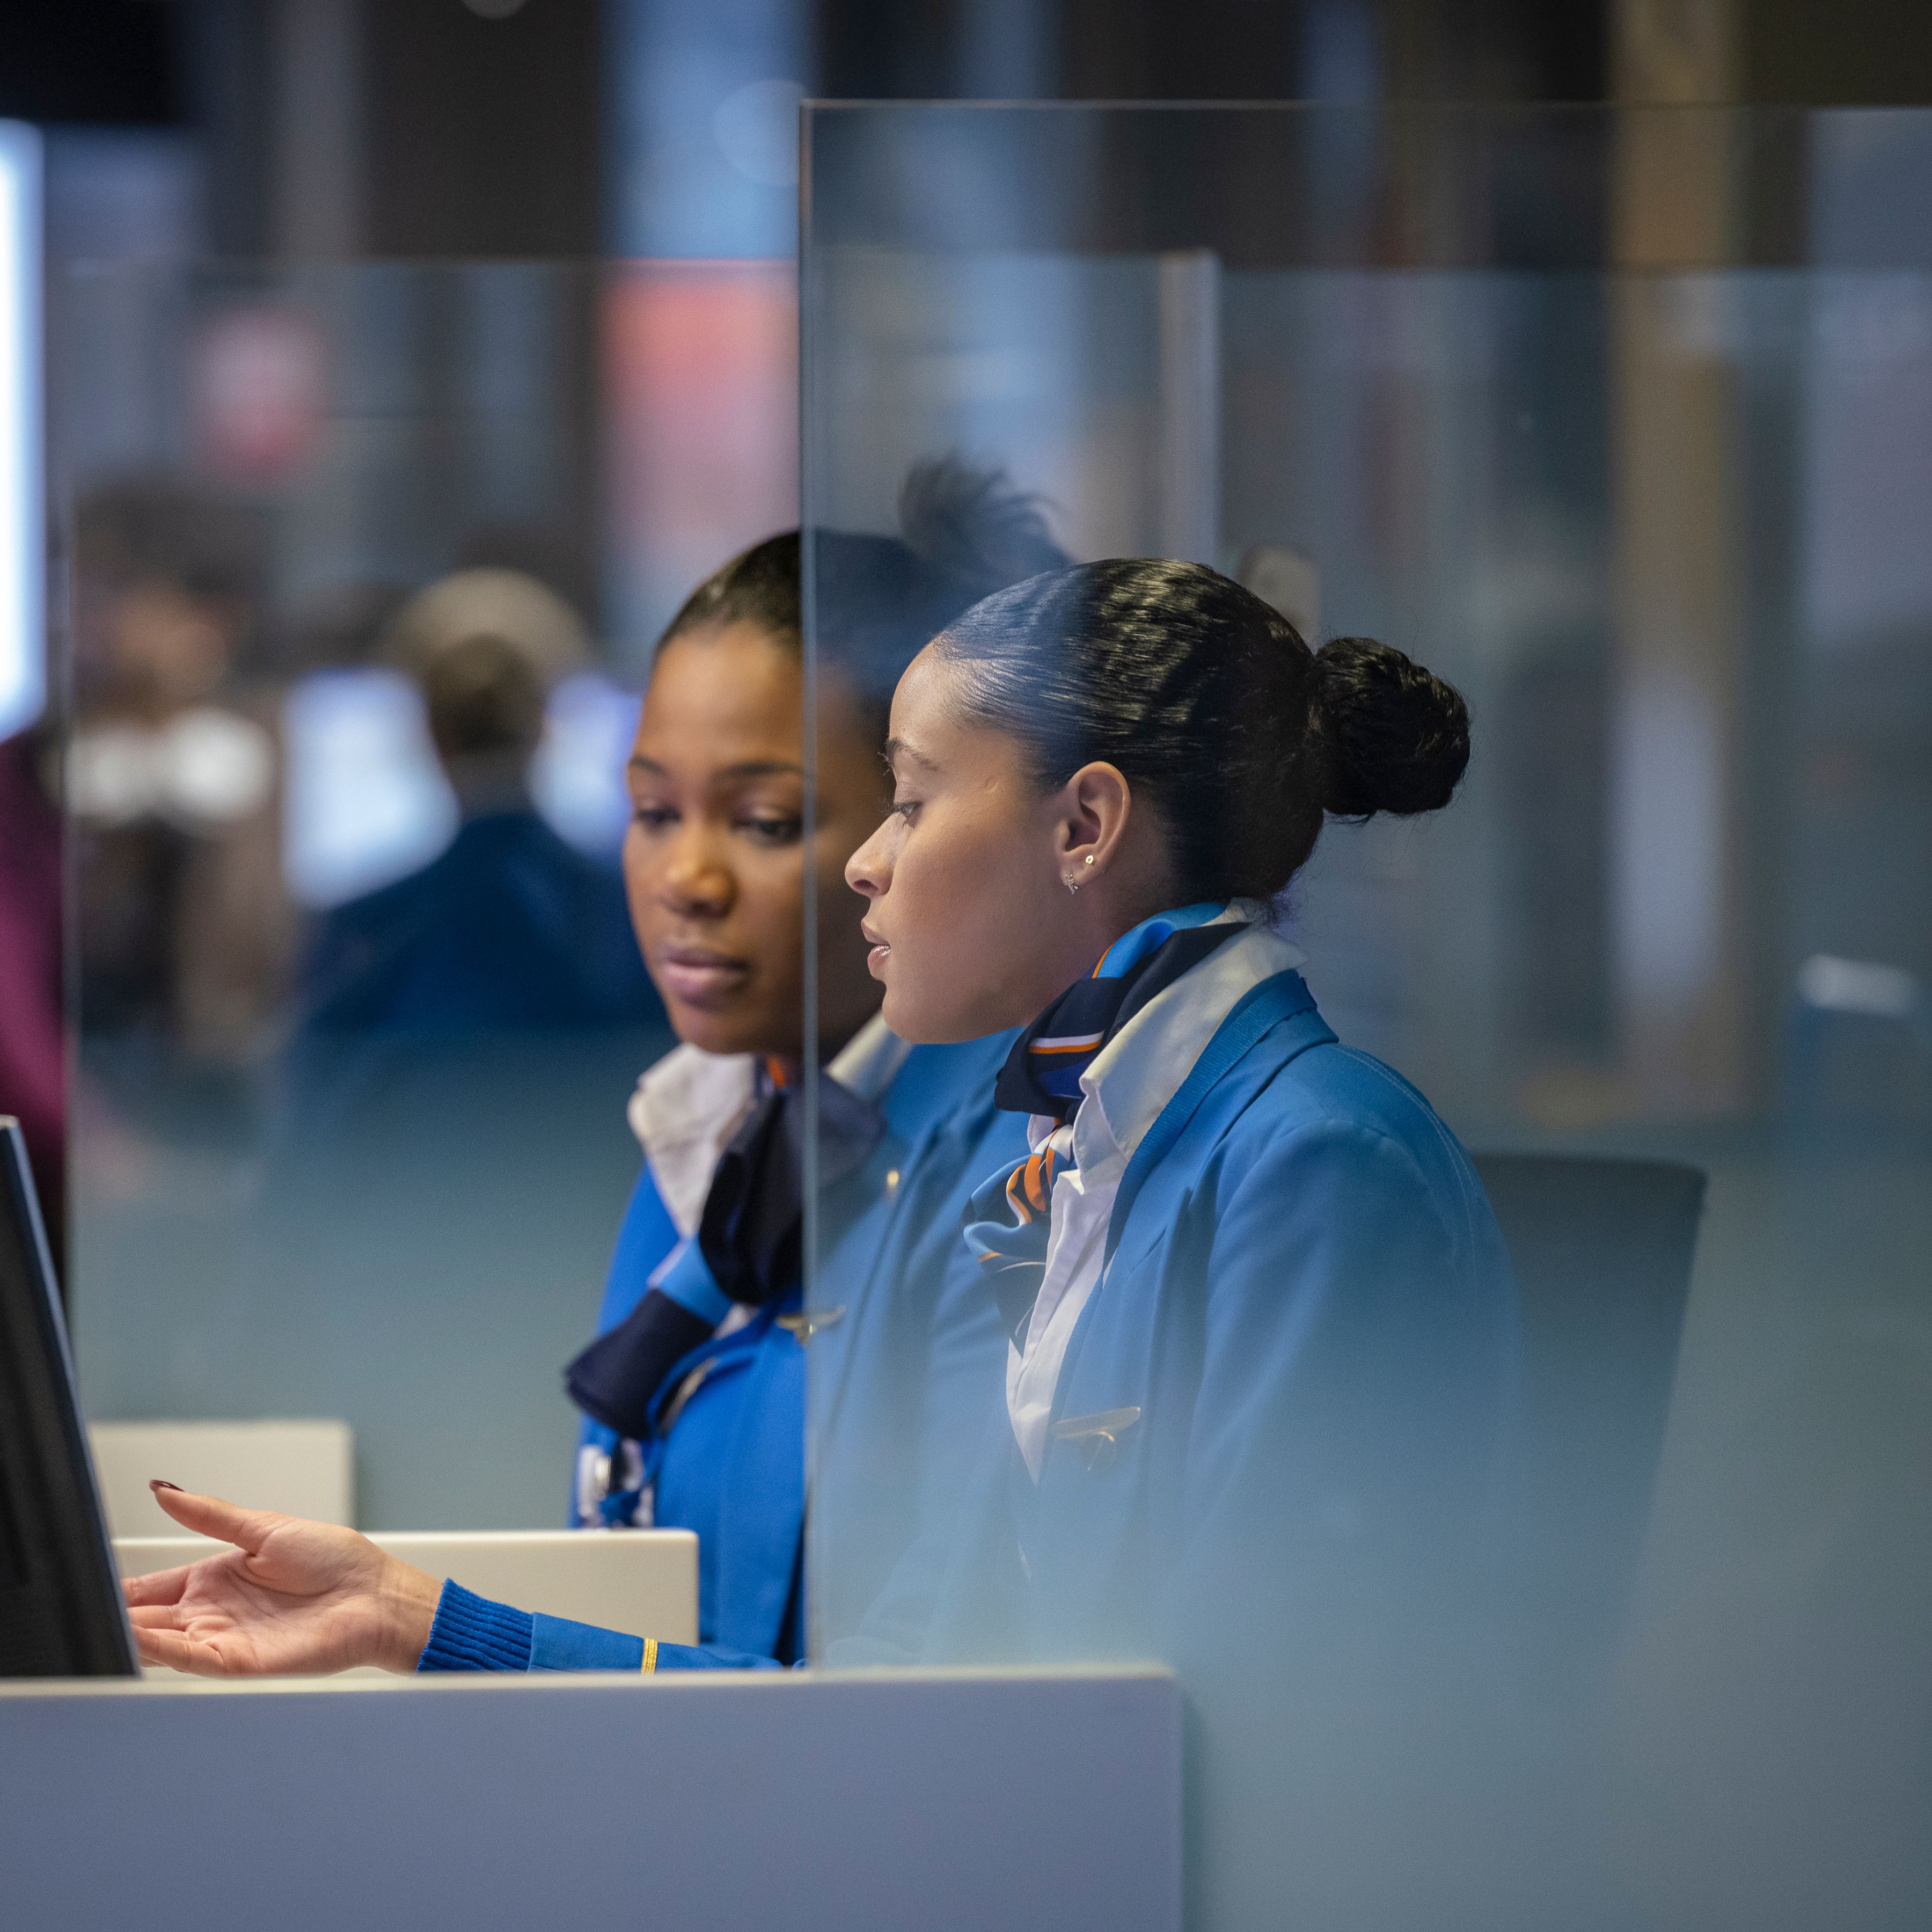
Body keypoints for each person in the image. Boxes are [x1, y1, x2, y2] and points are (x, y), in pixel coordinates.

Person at [127, 560, 1517, 1913]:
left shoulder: (1316, 1166)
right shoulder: (1080, 1167)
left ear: (1083, 828)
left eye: (906, 803)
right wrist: (411, 1618)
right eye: (652, 811)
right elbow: (892, 1708)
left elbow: (1243, 1785)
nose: (867, 859)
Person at [295, 569, 662, 1036]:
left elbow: (317, 1090)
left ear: (431, 735)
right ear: (544, 727)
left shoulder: (366, 932)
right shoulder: (631, 916)